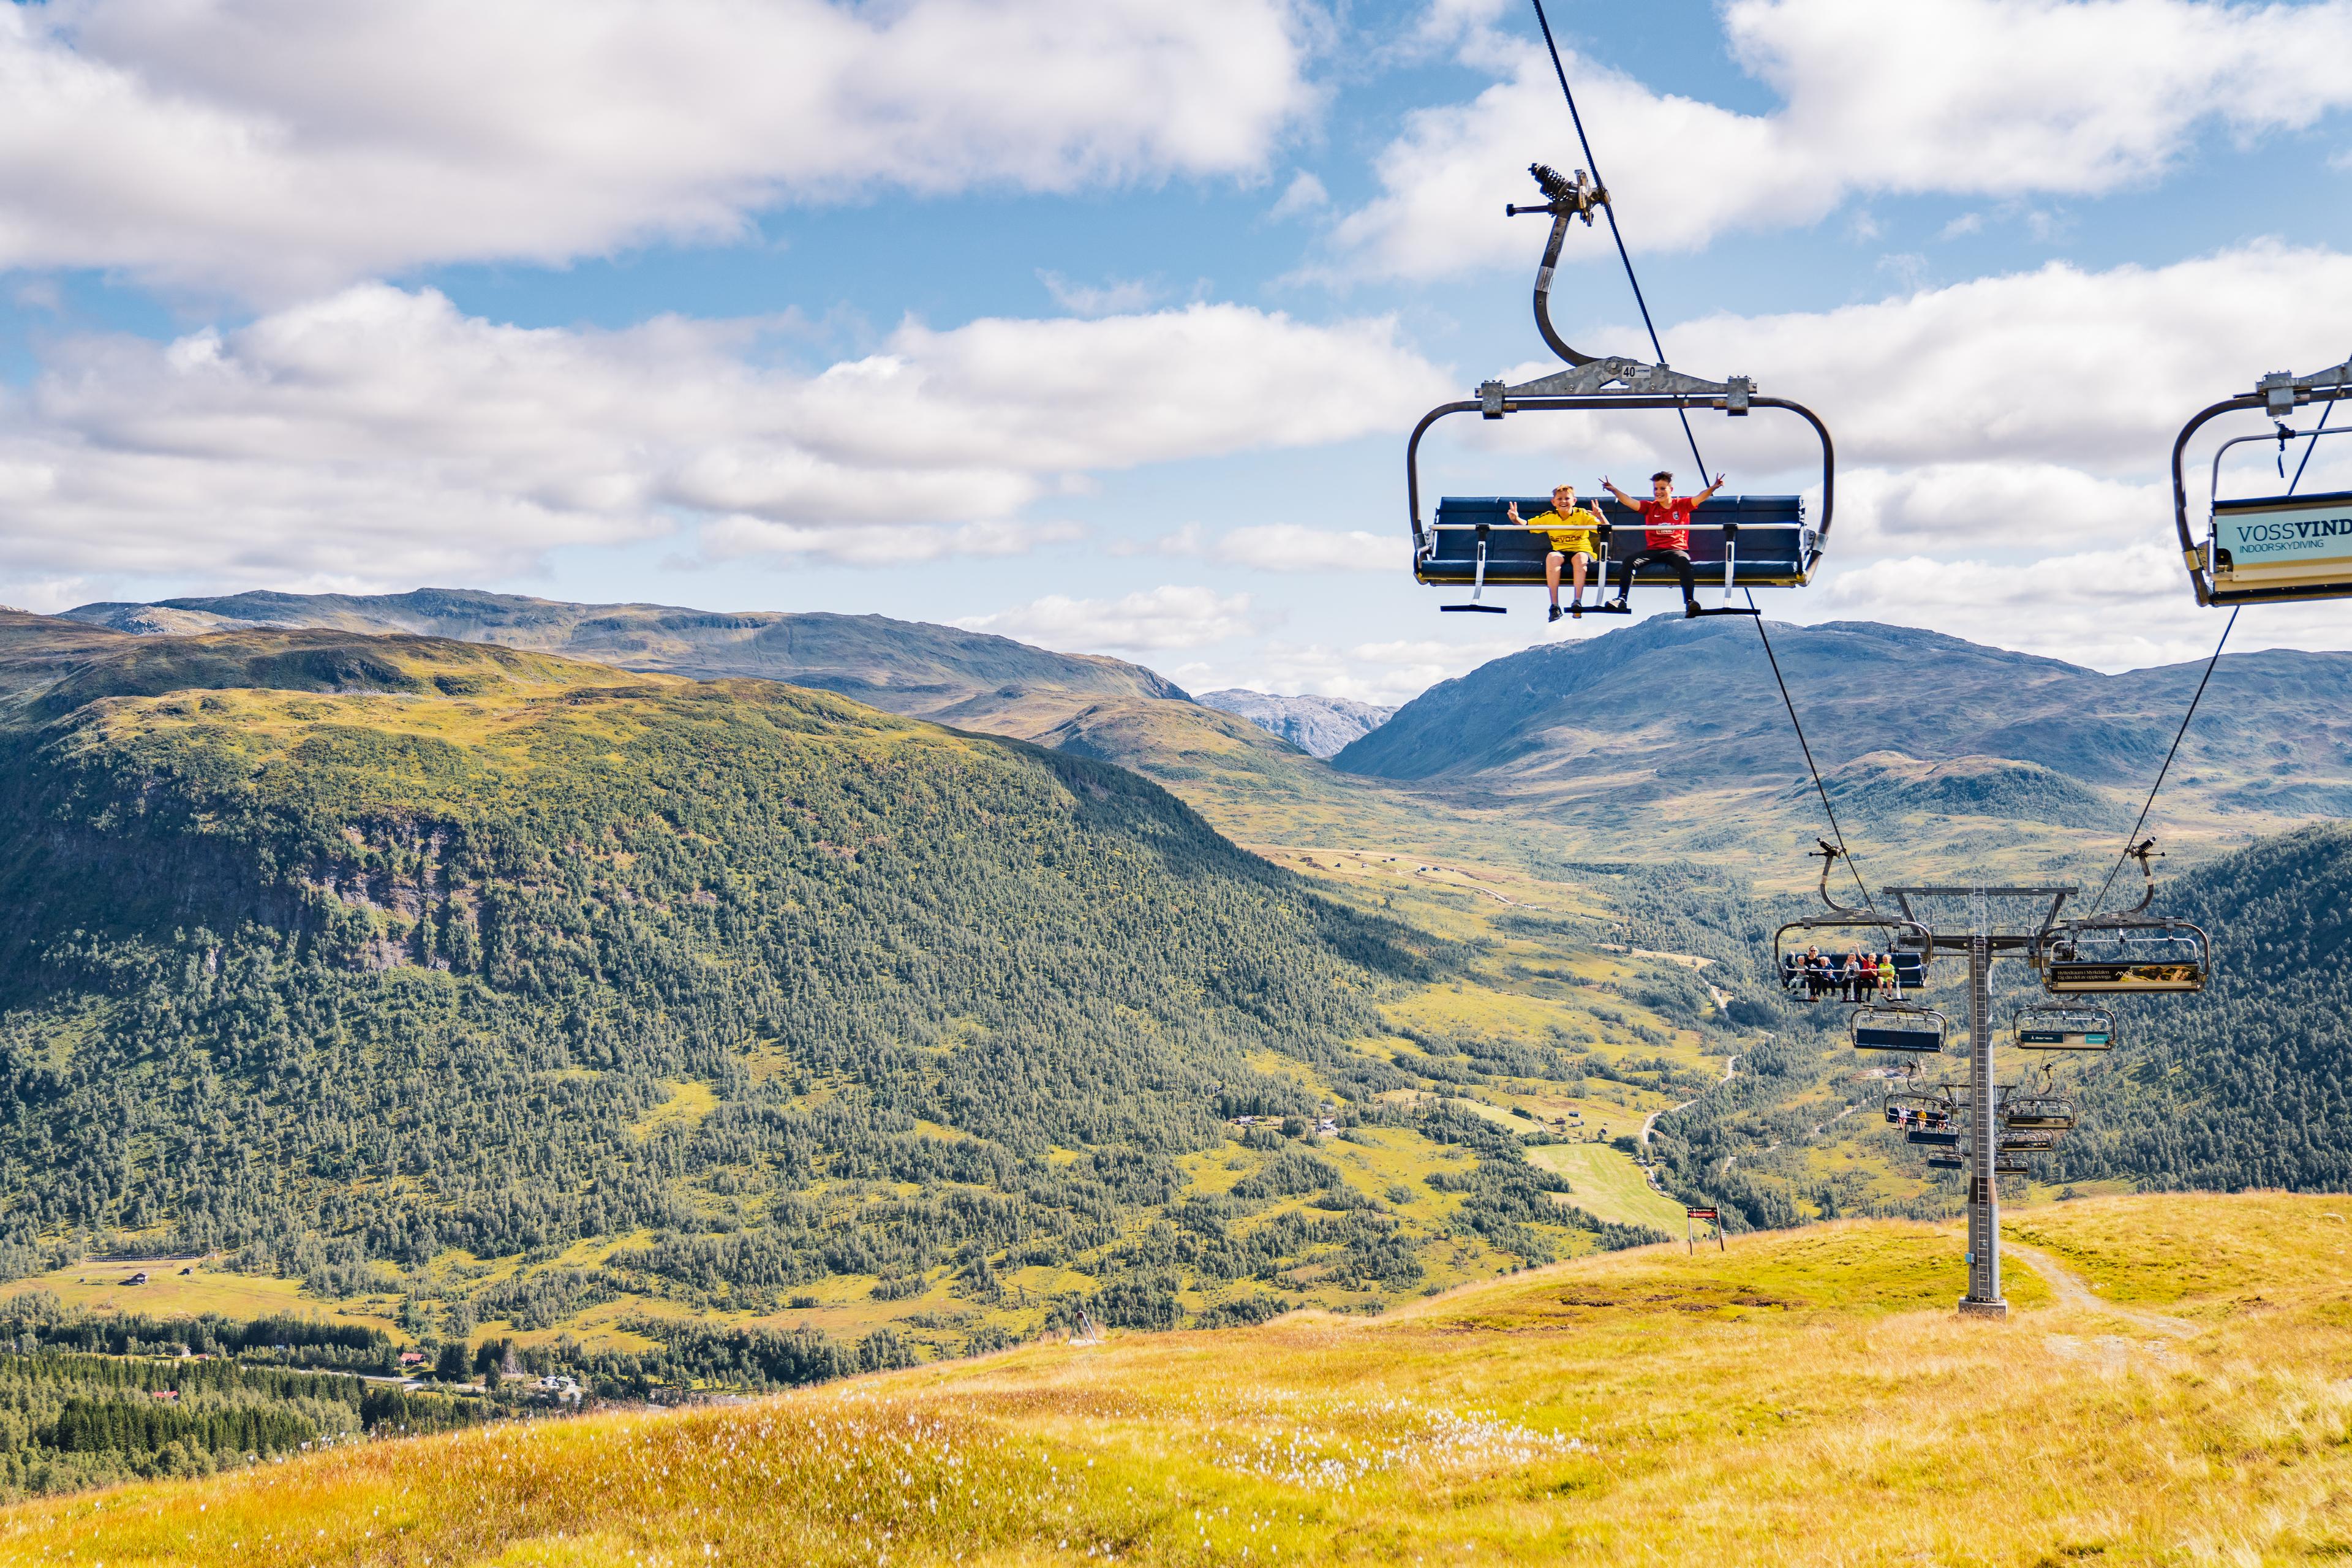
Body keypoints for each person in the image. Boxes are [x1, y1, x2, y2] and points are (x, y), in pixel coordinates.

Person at [1600, 469, 1727, 617]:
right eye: (1656, 489)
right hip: (1654, 551)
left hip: (1676, 550)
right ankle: (1621, 599)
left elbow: (1700, 497)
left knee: (1684, 562)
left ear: (1671, 489)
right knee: (1629, 561)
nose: (1658, 492)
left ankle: (1690, 601)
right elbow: (1629, 501)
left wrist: (1713, 488)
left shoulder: (1682, 505)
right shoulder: (1650, 507)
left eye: (1662, 488)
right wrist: (1614, 490)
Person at [1506, 483, 1605, 622]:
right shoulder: (1549, 517)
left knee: (1580, 558)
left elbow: (1606, 529)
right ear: (1554, 502)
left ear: (1574, 501)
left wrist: (1600, 517)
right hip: (1560, 551)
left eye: (1567, 498)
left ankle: (1577, 602)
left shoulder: (1582, 514)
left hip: (1581, 550)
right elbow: (1527, 525)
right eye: (1560, 499)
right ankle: (1554, 606)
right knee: (1552, 557)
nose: (1563, 502)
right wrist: (1515, 519)